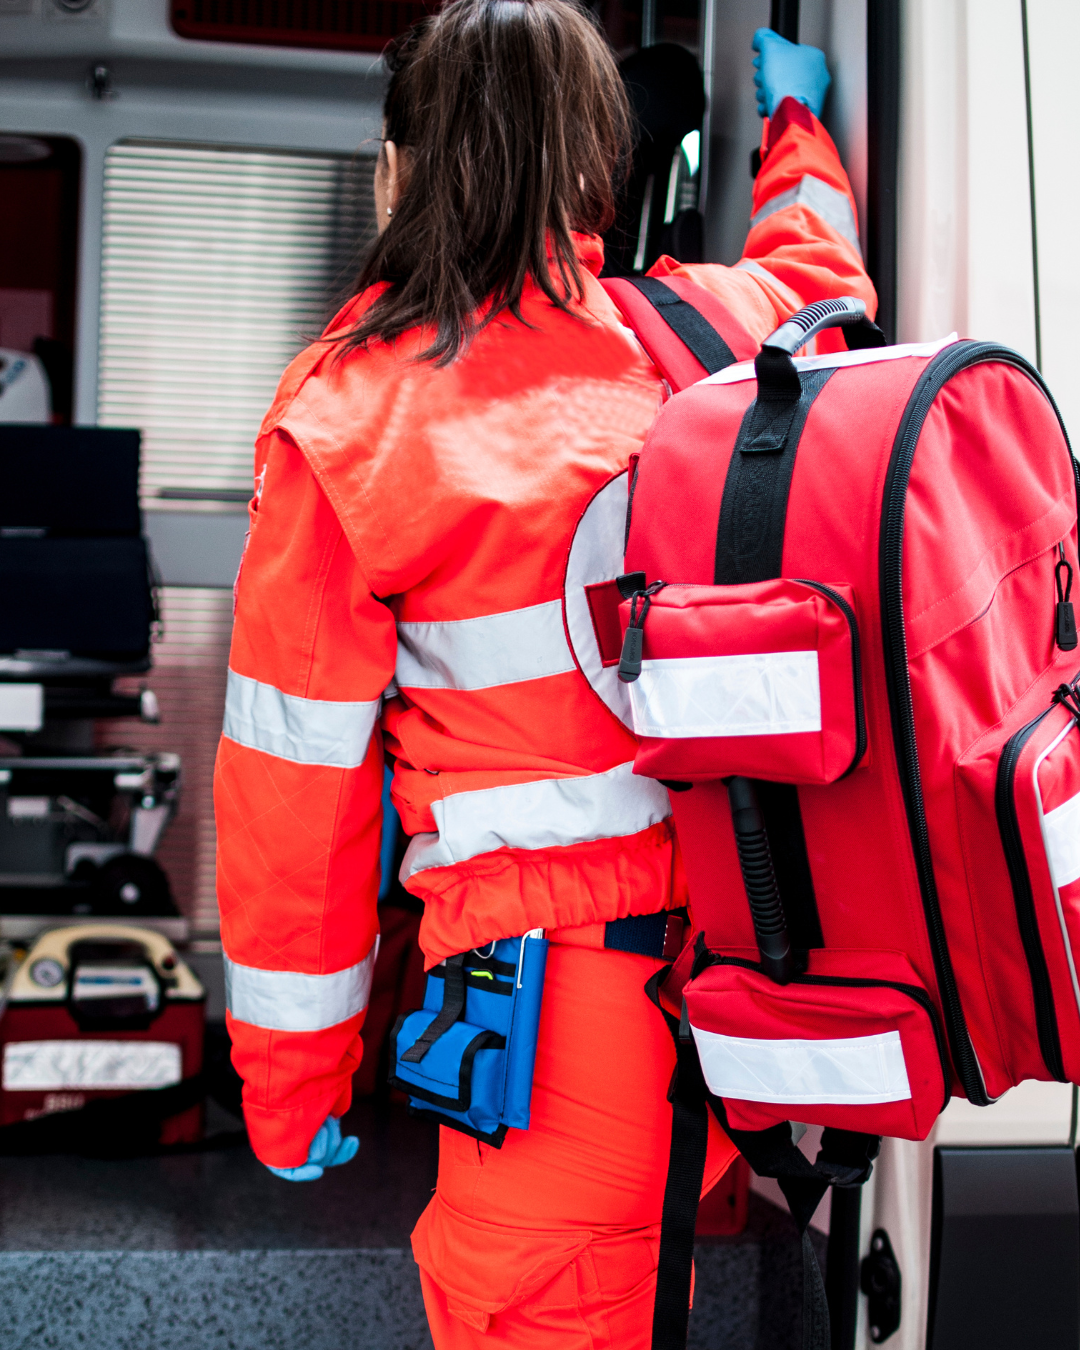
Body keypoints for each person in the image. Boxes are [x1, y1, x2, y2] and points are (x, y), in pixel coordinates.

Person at [213, 4, 875, 1345]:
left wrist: (291, 1084)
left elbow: (297, 799)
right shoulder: (704, 329)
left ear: (402, 167)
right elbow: (822, 277)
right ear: (594, 168)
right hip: (748, 989)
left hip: (554, 1033)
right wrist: (799, 124)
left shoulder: (354, 414)